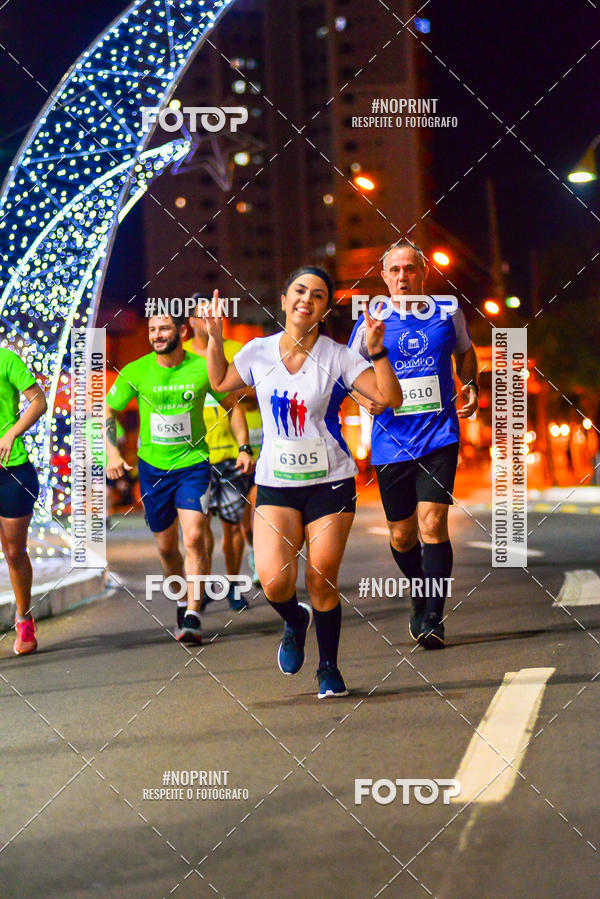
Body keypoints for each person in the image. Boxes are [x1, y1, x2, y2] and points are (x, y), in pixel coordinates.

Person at [205, 267, 402, 697]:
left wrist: (378, 352)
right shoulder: (258, 352)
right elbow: (219, 382)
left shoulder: (338, 355)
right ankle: (295, 621)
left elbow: (388, 399)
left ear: (324, 307)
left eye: (316, 295)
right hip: (276, 482)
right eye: (299, 290)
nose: (305, 299)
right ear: (283, 299)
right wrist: (215, 341)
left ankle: (328, 669)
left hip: (330, 481)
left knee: (321, 576)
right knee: (275, 580)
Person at [349, 239, 479, 649]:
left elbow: (466, 352)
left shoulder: (448, 312)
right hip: (390, 442)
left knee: (432, 525)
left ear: (423, 273)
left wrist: (470, 382)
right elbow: (347, 373)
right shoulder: (369, 322)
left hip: (439, 437)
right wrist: (362, 397)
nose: (403, 277)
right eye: (395, 270)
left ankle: (434, 619)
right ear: (384, 277)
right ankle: (420, 591)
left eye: (410, 269)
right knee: (402, 536)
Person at [105, 312, 254, 645]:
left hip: (194, 465)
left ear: (181, 332)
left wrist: (243, 447)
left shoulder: (202, 369)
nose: (158, 335)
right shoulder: (136, 371)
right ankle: (181, 599)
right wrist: (112, 454)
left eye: (165, 328)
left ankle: (193, 613)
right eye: (153, 330)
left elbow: (234, 406)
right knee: (166, 548)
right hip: (153, 469)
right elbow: (107, 411)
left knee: (193, 537)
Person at [184, 303, 257, 611]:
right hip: (194, 458)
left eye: (216, 314)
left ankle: (234, 585)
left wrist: (233, 390)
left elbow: (255, 391)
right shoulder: (182, 355)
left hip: (230, 455)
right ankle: (199, 591)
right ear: (191, 321)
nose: (212, 319)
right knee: (198, 531)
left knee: (234, 526)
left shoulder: (238, 350)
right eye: (204, 315)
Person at [0, 348, 47, 655]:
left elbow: (39, 402)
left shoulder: (6, 359)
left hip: (11, 470)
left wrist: (12, 433)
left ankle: (23, 617)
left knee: (14, 552)